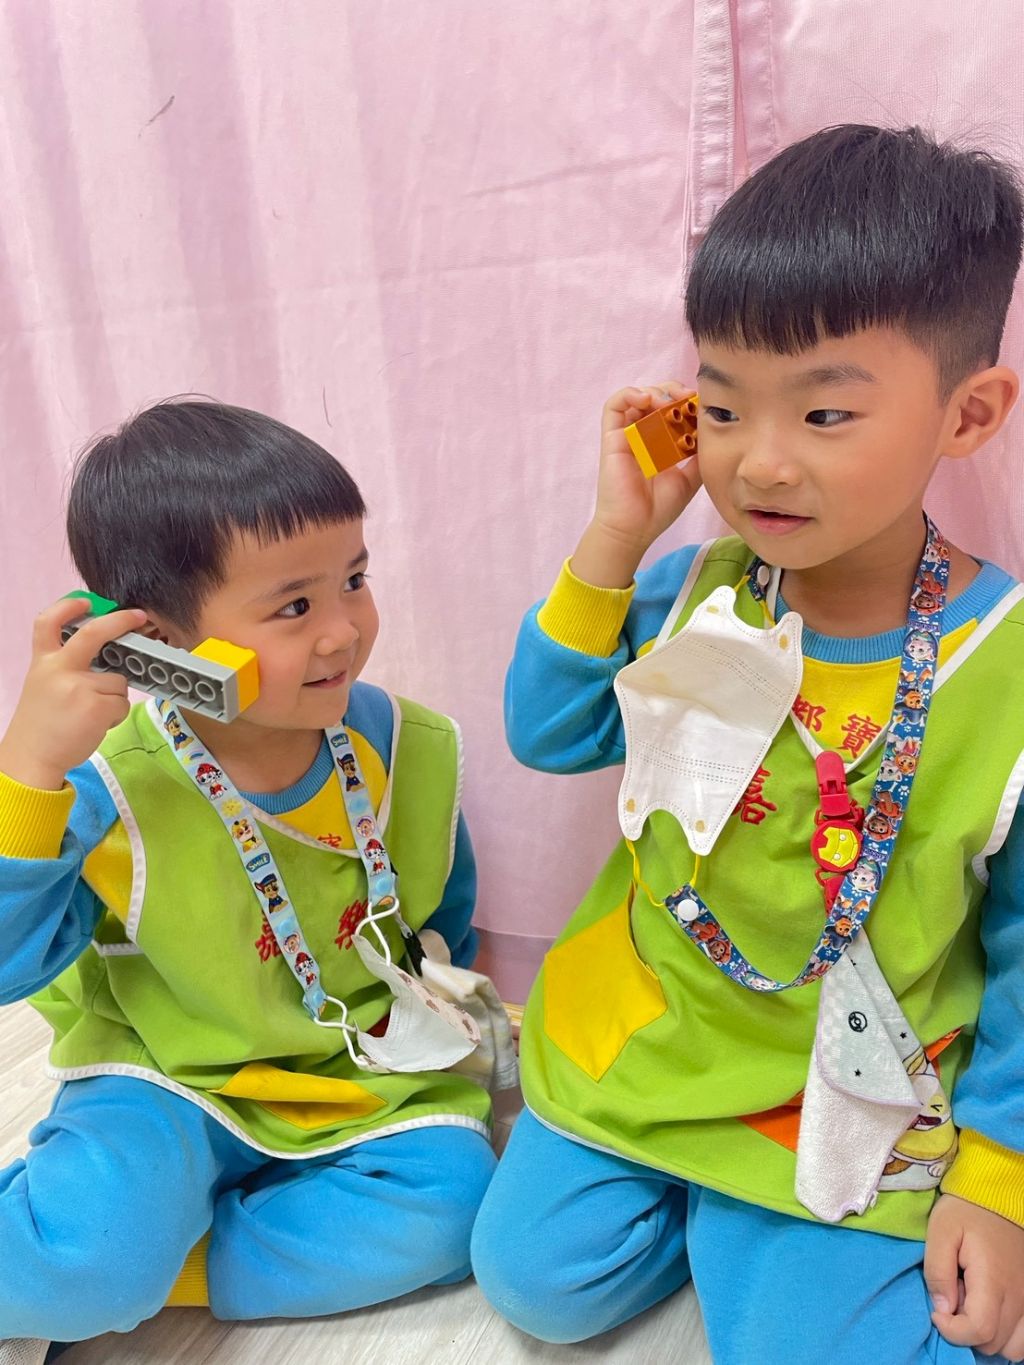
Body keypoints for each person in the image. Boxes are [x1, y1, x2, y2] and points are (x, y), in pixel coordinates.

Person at [472, 125, 1024, 1363]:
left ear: (969, 413)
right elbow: (549, 734)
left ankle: (752, 1216)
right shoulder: (692, 592)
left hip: (845, 1084)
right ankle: (716, 1199)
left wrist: (998, 1174)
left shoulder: (1004, 671)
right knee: (537, 1281)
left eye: (823, 412)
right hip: (652, 1039)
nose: (758, 461)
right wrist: (615, 542)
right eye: (719, 407)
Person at [0, 401, 499, 1363]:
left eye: (354, 579)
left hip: (351, 1068)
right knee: (91, 1256)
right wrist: (29, 771)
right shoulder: (108, 785)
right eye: (294, 607)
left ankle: (172, 1262)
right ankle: (110, 1252)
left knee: (454, 1208)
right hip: (166, 1076)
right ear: (156, 640)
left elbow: (441, 913)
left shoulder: (404, 741)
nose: (344, 631)